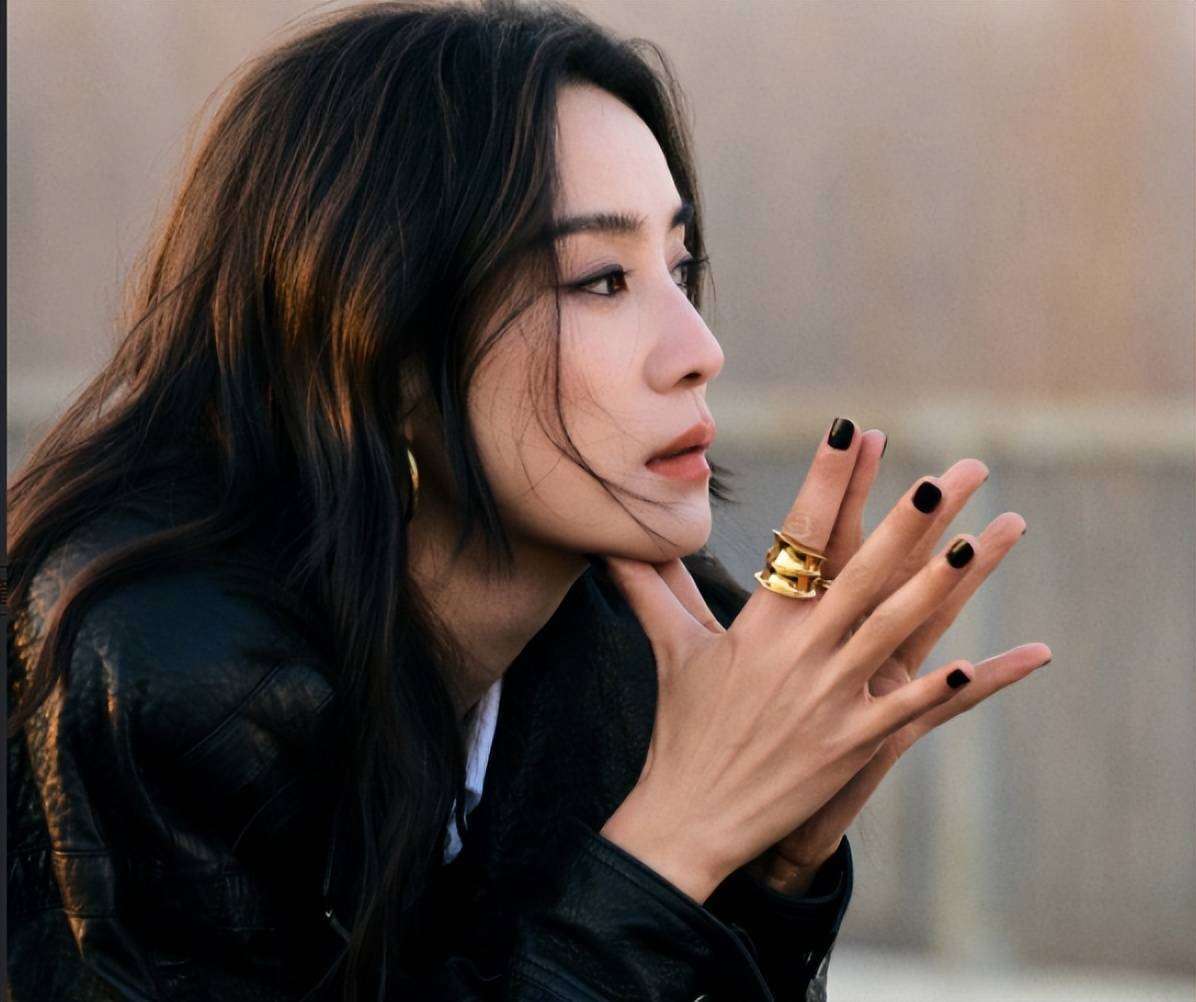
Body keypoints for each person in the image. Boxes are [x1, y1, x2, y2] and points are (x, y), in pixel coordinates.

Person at [5, 2, 1052, 1000]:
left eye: (679, 268)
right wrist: (675, 836)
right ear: (385, 349)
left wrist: (771, 868)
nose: (700, 349)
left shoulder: (640, 670)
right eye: (600, 280)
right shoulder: (153, 663)